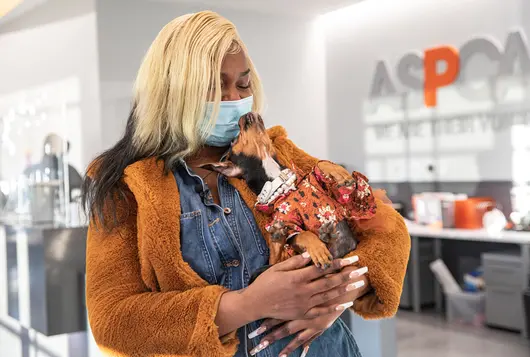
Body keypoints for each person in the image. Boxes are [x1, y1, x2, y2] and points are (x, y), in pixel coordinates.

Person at [82, 11, 410, 357]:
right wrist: (246, 304)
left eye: (243, 84)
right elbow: (112, 319)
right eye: (214, 86)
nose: (234, 99)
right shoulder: (126, 186)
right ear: (173, 92)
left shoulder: (275, 154)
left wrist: (346, 292)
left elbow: (388, 228)